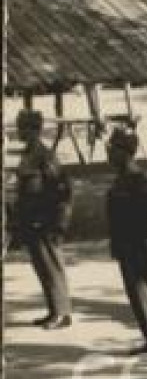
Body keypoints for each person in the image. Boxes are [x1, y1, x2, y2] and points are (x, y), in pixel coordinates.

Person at [103, 127, 147, 356]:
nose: (109, 154)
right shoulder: (122, 179)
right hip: (126, 245)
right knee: (136, 294)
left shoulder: (138, 180)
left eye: (113, 149)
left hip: (140, 245)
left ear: (125, 152)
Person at [10, 109, 74, 328]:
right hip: (31, 220)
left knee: (52, 266)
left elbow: (62, 189)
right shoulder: (28, 153)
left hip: (45, 221)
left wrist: (59, 223)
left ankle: (63, 314)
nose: (19, 131)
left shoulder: (44, 155)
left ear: (35, 130)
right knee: (41, 266)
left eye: (23, 127)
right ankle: (53, 310)